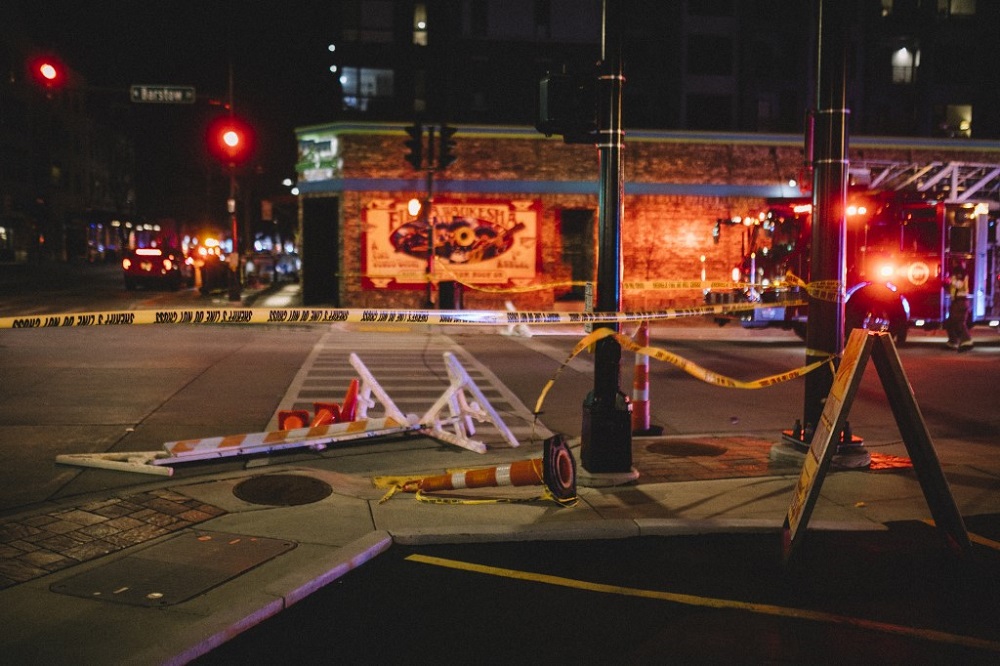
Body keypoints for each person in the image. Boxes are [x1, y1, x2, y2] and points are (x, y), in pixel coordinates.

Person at [945, 262, 973, 351]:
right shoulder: (958, 273)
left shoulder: (960, 273)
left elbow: (959, 285)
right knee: (951, 323)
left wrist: (949, 281)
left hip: (960, 302)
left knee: (959, 323)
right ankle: (953, 342)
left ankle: (967, 341)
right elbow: (953, 288)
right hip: (958, 301)